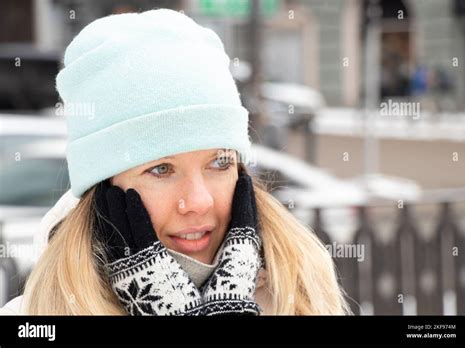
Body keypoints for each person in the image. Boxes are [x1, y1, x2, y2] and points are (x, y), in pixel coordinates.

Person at [0, 9, 348, 315]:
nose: (198, 202)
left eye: (219, 163)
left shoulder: (305, 300)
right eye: (161, 169)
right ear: (102, 188)